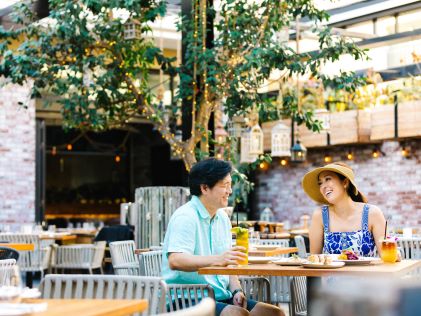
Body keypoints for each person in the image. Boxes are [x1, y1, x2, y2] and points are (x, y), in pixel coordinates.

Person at [162, 158, 284, 316]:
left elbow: (229, 262)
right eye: (225, 185)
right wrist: (217, 259)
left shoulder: (223, 218)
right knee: (237, 314)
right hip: (184, 297)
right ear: (205, 188)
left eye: (230, 185)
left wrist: (236, 291)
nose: (230, 191)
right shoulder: (186, 216)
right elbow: (175, 260)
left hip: (220, 295)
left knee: (274, 313)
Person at [302, 162, 386, 256]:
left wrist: (395, 255)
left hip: (366, 271)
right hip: (331, 271)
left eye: (328, 179)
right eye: (320, 183)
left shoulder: (372, 213)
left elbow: (386, 255)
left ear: (345, 182)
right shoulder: (320, 215)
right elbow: (314, 258)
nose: (323, 186)